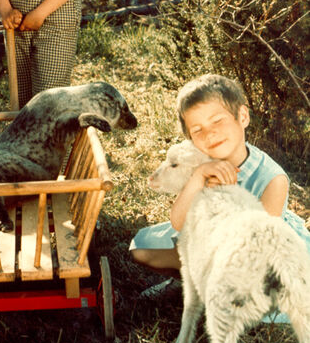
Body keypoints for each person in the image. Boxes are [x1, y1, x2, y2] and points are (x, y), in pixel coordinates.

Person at [130, 74, 310, 313]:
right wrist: (199, 176)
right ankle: (187, 281)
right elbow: (178, 221)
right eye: (198, 130)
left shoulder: (272, 179)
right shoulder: (202, 161)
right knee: (141, 249)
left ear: (242, 117)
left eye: (217, 121)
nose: (210, 134)